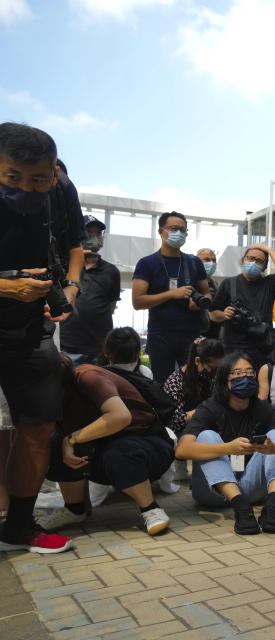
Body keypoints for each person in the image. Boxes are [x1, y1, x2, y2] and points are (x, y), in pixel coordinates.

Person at [0, 122, 83, 554]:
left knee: (38, 426)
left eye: (38, 180)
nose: (26, 189)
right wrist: (8, 286)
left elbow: (73, 246)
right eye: (12, 177)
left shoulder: (61, 188)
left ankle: (19, 525)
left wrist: (68, 289)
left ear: (53, 173)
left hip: (31, 327)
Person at [36, 358, 175, 536]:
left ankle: (150, 508)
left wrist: (71, 439)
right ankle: (74, 509)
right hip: (102, 448)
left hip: (147, 443)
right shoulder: (50, 397)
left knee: (118, 452)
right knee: (56, 441)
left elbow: (121, 417)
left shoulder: (88, 376)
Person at [174, 353, 275, 535]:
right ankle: (241, 508)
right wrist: (228, 448)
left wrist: (273, 448)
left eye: (250, 373)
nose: (245, 378)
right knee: (208, 436)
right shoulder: (210, 407)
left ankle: (273, 506)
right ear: (224, 380)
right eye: (238, 374)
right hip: (213, 492)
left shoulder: (262, 407)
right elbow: (182, 449)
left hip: (250, 486)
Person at [132, 211, 211, 384]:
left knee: (194, 384)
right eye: (174, 228)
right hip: (160, 335)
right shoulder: (147, 263)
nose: (179, 233)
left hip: (191, 335)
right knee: (163, 385)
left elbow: (207, 294)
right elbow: (137, 302)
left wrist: (199, 304)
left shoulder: (194, 262)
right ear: (161, 231)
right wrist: (171, 294)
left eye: (183, 230)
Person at [209, 244, 275, 367]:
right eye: (250, 258)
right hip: (234, 348)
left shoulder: (268, 284)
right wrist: (224, 314)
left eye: (259, 261)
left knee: (261, 384)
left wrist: (268, 249)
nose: (253, 262)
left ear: (264, 267)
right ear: (243, 260)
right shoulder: (229, 284)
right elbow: (213, 314)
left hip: (263, 348)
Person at [59, 215, 122, 365]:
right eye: (89, 232)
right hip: (68, 346)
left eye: (98, 233)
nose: (94, 237)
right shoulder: (65, 266)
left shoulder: (111, 271)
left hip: (100, 348)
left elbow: (111, 306)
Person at [163, 337, 224, 436]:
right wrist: (207, 409)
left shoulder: (212, 377)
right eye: (211, 368)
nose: (214, 372)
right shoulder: (175, 382)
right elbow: (175, 420)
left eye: (218, 368)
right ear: (197, 361)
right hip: (184, 434)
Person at [197, 248, 222, 340]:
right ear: (197, 261)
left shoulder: (215, 283)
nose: (211, 263)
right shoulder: (190, 281)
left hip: (214, 332)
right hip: (196, 332)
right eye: (207, 260)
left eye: (214, 260)